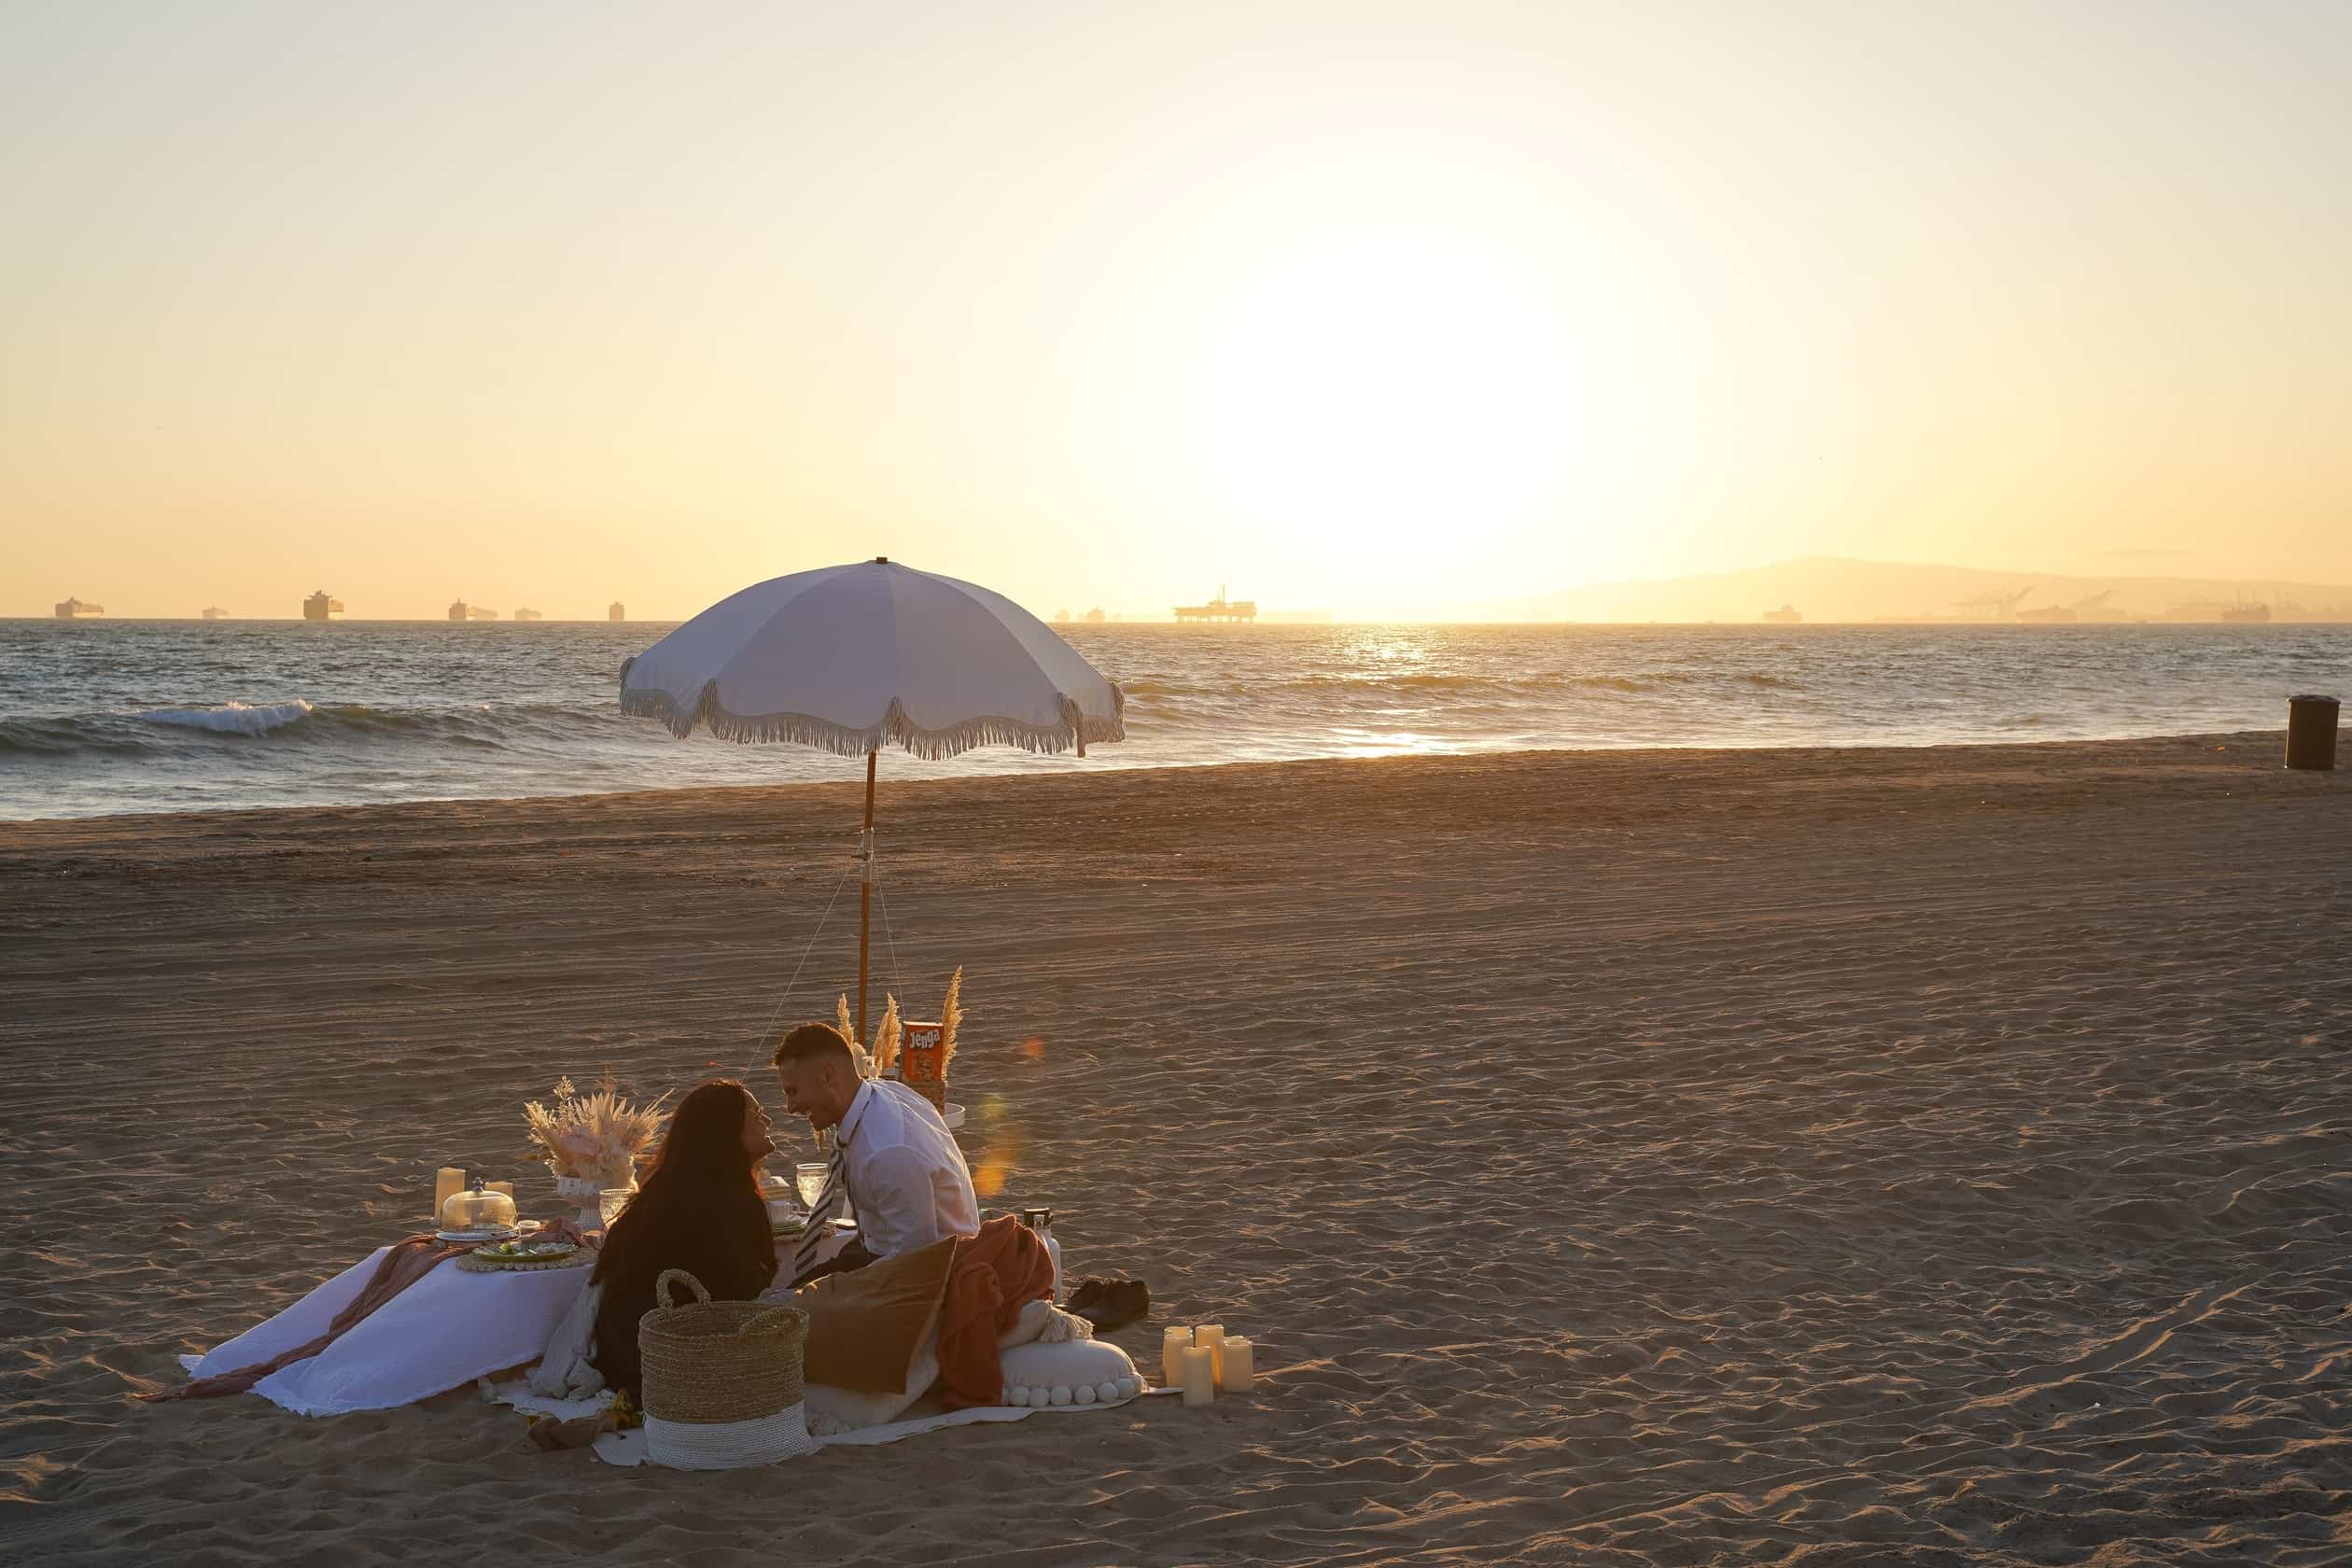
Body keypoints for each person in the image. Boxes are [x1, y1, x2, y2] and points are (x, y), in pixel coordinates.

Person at [587, 1079, 777, 1399]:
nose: (767, 1121)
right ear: (728, 1131)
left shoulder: (665, 1191)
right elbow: (737, 1292)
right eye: (757, 1114)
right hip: (669, 1361)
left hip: (623, 1355)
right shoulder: (730, 1201)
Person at [771, 1020, 979, 1284]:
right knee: (787, 1295)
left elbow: (915, 1263)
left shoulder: (888, 1151)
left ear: (827, 1076)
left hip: (932, 1274)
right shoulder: (884, 1092)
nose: (791, 1107)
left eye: (793, 1091)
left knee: (795, 1308)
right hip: (876, 1251)